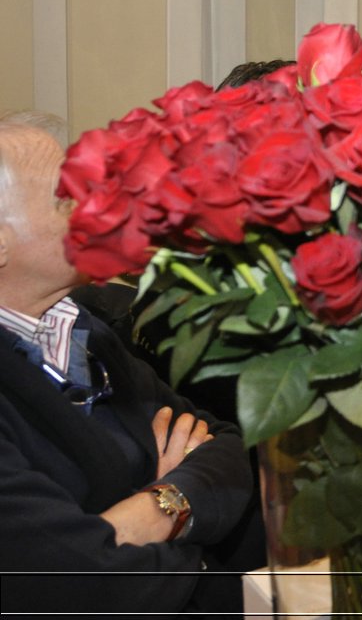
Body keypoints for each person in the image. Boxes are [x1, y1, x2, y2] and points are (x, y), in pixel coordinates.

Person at [0, 111, 260, 615]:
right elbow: (82, 585)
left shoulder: (85, 328)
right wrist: (192, 530)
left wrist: (160, 506)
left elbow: (228, 449)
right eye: (67, 198)